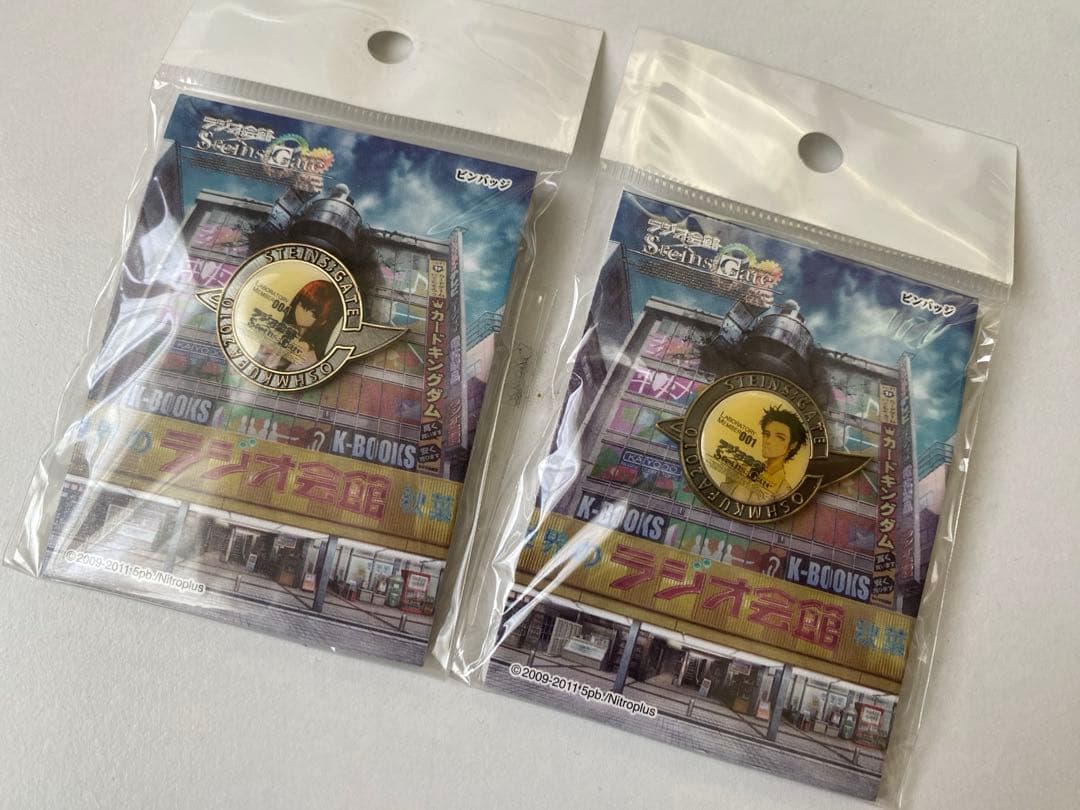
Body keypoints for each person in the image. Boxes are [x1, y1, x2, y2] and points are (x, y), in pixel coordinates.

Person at [257, 280, 343, 371]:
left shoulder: (310, 356)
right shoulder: (277, 331)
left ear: (324, 321)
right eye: (302, 305)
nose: (303, 313)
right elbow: (258, 358)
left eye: (313, 313)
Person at [755, 405, 808, 498]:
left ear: (792, 445)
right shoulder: (746, 468)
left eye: (780, 437)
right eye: (766, 434)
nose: (768, 441)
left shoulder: (784, 492)